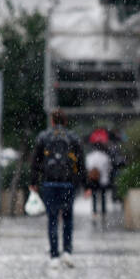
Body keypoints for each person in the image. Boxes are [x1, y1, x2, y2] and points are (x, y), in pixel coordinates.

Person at [30, 109, 85, 269]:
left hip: (49, 183)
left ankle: (54, 255)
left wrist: (33, 182)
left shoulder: (43, 137)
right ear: (65, 121)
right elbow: (81, 162)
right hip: (68, 183)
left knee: (52, 219)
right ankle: (67, 252)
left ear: (52, 121)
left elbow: (35, 162)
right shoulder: (73, 138)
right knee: (68, 219)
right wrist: (85, 184)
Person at [84, 144, 112, 221]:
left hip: (93, 180)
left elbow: (87, 167)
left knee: (94, 196)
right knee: (103, 196)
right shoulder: (105, 156)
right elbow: (108, 168)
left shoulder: (89, 156)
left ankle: (94, 212)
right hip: (103, 179)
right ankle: (103, 212)